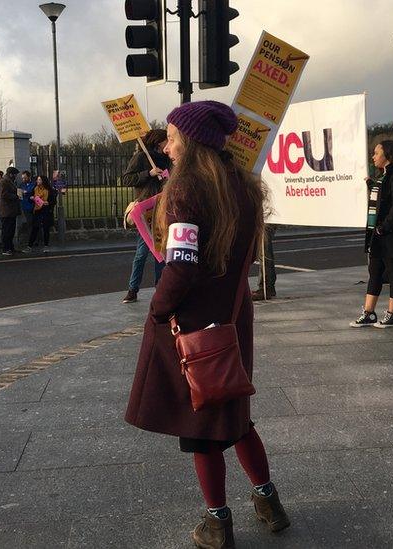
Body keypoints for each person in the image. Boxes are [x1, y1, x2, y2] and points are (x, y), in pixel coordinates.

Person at [125, 101, 289, 549]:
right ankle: (268, 502)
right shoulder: (244, 187)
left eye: (173, 136)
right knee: (235, 413)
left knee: (200, 427)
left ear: (193, 142)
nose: (166, 145)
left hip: (195, 321)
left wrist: (157, 309)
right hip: (234, 316)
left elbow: (180, 267)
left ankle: (217, 523)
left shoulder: (185, 191)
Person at [350, 140, 393, 328]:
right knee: (375, 272)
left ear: (387, 154)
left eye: (376, 153)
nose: (373, 157)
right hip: (379, 234)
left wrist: (384, 227)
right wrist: (372, 186)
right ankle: (369, 313)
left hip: (392, 234)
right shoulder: (384, 175)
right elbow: (383, 200)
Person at [121, 128, 170, 304]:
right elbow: (126, 179)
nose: (169, 145)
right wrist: (148, 174)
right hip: (146, 210)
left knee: (161, 251)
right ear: (159, 142)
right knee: (142, 253)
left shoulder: (167, 158)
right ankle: (133, 289)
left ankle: (160, 287)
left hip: (162, 209)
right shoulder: (142, 157)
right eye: (167, 140)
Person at [0, 167, 21, 256]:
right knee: (6, 230)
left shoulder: (9, 181)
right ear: (11, 174)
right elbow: (3, 195)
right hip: (6, 210)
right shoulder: (3, 181)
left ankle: (10, 247)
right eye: (15, 175)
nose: (16, 176)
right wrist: (16, 196)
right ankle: (6, 248)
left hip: (11, 210)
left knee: (11, 230)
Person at [27, 174, 55, 250]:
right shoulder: (35, 189)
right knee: (35, 228)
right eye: (37, 180)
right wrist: (31, 198)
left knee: (46, 229)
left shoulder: (49, 190)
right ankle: (29, 245)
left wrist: (48, 203)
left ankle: (46, 245)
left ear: (43, 181)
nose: (37, 181)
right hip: (37, 211)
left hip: (46, 211)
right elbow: (29, 198)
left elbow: (53, 201)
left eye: (39, 180)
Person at [252, 225, 277, 301]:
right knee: (263, 251)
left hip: (265, 219)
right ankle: (267, 287)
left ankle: (266, 288)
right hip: (265, 219)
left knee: (264, 251)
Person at [18, 170, 36, 251]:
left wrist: (27, 192)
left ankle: (32, 241)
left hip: (33, 206)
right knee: (30, 224)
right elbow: (19, 193)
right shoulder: (21, 184)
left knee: (32, 224)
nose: (23, 179)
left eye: (25, 178)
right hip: (25, 207)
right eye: (22, 178)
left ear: (29, 177)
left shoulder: (34, 184)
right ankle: (31, 241)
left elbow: (33, 193)